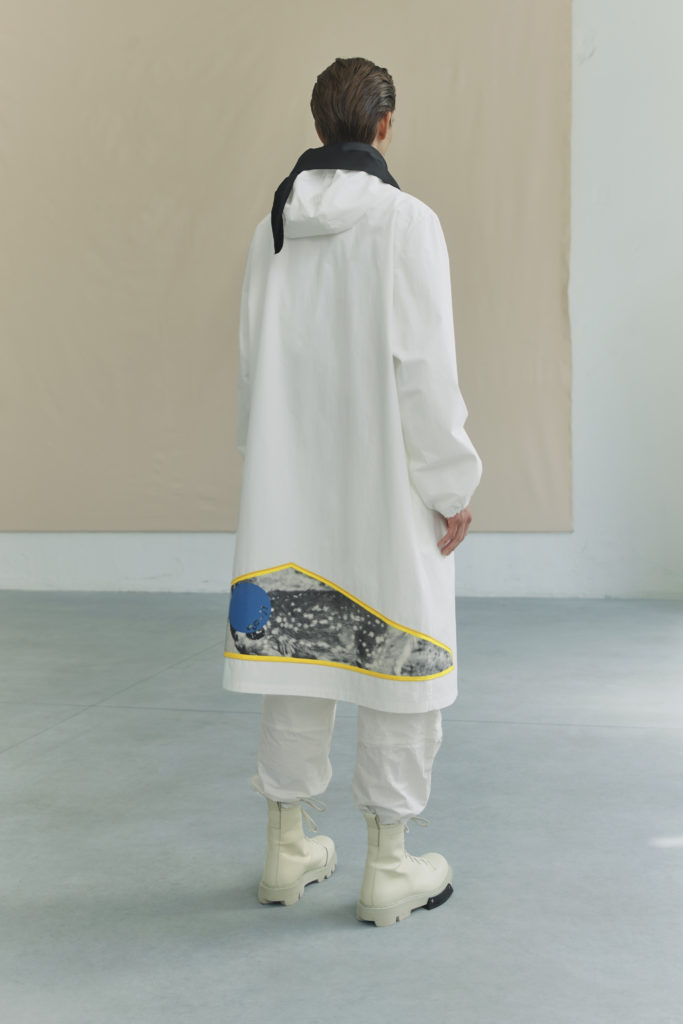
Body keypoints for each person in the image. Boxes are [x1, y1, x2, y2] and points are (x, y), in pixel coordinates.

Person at [223, 56, 483, 927]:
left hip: (289, 482)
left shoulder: (272, 228)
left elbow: (251, 367)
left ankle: (285, 849)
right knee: (401, 661)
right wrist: (451, 484)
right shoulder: (408, 223)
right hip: (385, 486)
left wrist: (265, 465)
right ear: (383, 126)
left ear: (317, 123)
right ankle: (390, 866)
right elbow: (425, 372)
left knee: (296, 659)